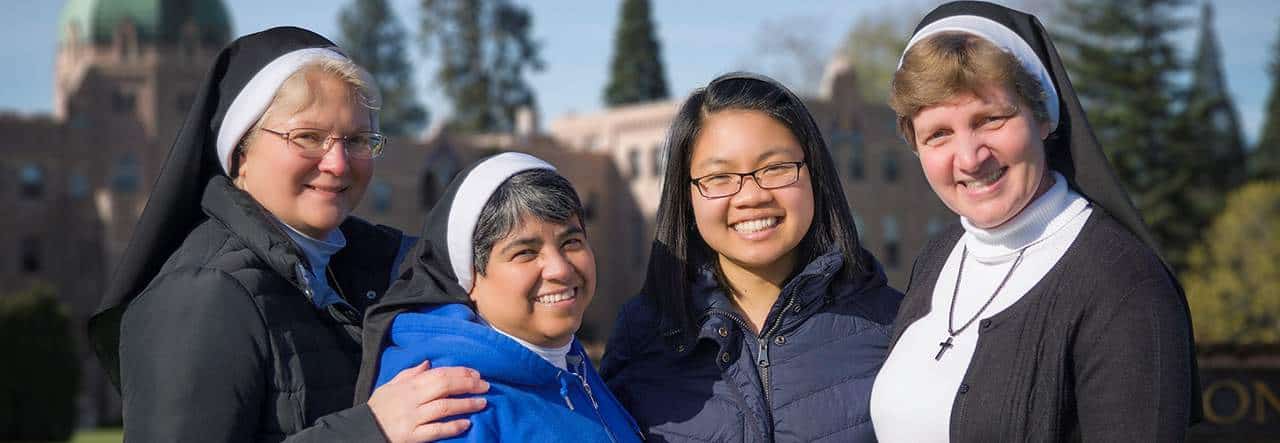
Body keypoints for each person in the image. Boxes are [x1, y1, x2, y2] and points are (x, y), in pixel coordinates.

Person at [87, 27, 487, 442]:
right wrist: (370, 429)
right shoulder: (201, 293)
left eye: (356, 140)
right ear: (240, 153)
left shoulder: (371, 270)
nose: (337, 163)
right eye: (308, 137)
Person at [868, 2, 1201, 441]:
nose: (969, 158)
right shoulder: (939, 256)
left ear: (1043, 116)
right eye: (939, 134)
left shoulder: (1123, 284)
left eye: (990, 119)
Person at [600, 72, 903, 441]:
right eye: (719, 177)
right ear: (687, 196)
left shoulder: (895, 325)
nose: (751, 196)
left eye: (776, 168)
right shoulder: (641, 335)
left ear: (815, 174)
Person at [354, 153, 642, 442]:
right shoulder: (449, 409)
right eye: (525, 253)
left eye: (571, 242)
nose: (561, 269)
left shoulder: (566, 360)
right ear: (470, 277)